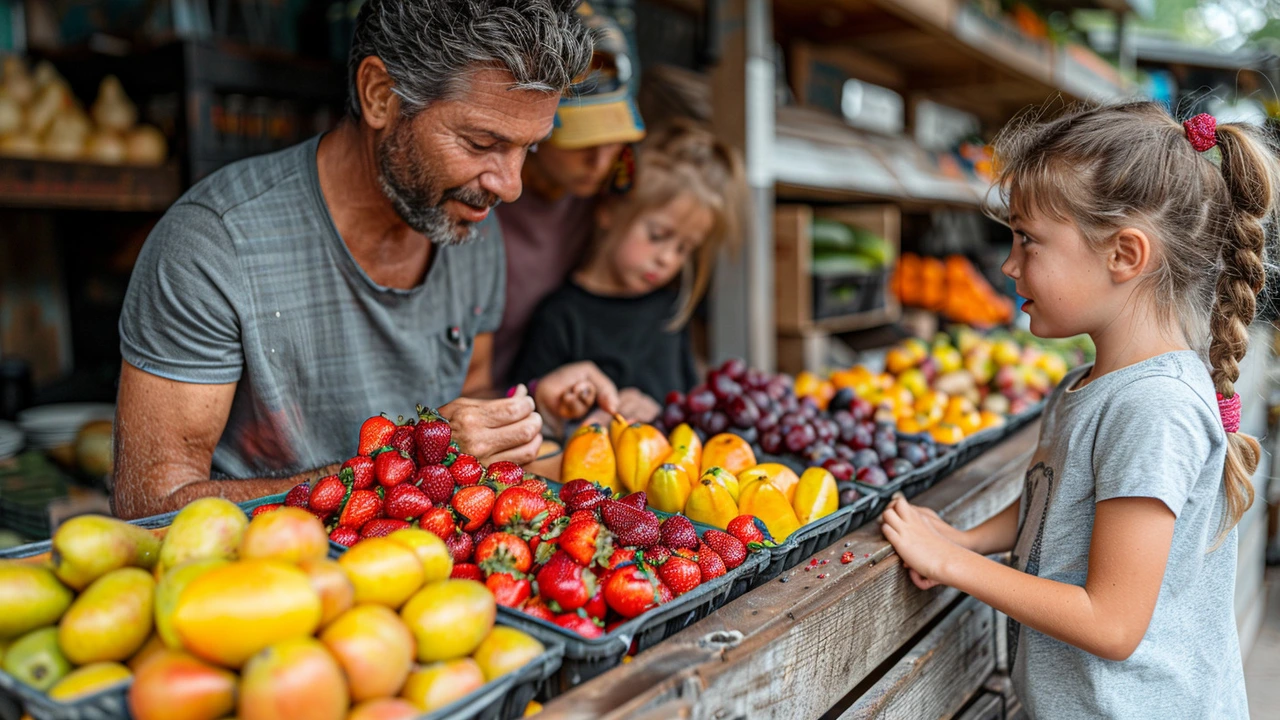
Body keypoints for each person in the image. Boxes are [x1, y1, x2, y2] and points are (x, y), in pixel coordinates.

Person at [111, 0, 620, 519]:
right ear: (380, 94)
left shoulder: (469, 221)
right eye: (481, 141)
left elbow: (472, 398)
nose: (509, 187)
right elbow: (150, 508)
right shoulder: (212, 245)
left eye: (528, 149)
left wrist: (529, 412)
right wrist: (407, 458)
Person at [880, 102, 1270, 718]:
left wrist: (953, 564)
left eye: (1027, 239)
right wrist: (967, 538)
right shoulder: (1089, 386)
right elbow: (1052, 502)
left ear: (1124, 255)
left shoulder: (1153, 408)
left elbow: (1111, 623)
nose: (1008, 264)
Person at [511, 121, 746, 422]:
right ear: (609, 211)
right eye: (658, 235)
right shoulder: (559, 317)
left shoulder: (669, 312)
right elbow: (528, 412)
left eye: (684, 249)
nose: (667, 259)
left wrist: (661, 416)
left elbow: (690, 408)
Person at [491, 2, 646, 392]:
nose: (600, 160)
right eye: (583, 140)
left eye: (614, 140)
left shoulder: (605, 203)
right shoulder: (484, 198)